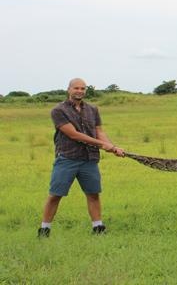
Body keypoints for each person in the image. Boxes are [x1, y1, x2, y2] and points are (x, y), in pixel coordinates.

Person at [38, 78, 125, 238]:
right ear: (69, 89)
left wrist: (113, 147)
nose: (80, 91)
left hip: (89, 159)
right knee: (55, 194)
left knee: (93, 194)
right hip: (67, 158)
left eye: (83, 88)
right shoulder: (59, 110)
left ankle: (98, 228)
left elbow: (99, 131)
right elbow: (74, 134)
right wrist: (102, 145)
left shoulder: (93, 109)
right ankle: (44, 230)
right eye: (76, 88)